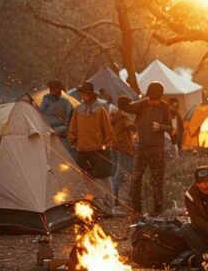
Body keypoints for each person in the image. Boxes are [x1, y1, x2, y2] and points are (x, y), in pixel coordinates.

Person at [120, 83, 172, 218]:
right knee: (137, 177)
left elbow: (170, 127)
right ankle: (136, 209)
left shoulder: (164, 107)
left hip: (157, 148)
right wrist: (122, 100)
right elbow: (127, 107)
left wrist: (161, 127)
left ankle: (158, 208)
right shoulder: (142, 104)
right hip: (142, 146)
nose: (154, 103)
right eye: (152, 100)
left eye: (157, 100)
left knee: (157, 179)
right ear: (148, 97)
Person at [68, 82, 114, 211]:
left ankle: (110, 206)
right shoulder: (78, 110)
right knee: (88, 179)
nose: (81, 95)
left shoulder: (100, 109)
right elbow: (73, 128)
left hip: (99, 150)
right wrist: (73, 140)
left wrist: (106, 145)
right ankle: (95, 205)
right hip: (83, 150)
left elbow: (108, 130)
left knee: (105, 177)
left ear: (89, 94)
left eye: (83, 93)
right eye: (81, 93)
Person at [109, 98, 136, 208]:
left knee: (116, 172)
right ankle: (114, 199)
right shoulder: (123, 118)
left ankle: (114, 197)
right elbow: (132, 127)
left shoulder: (112, 119)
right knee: (121, 173)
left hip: (114, 147)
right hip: (123, 148)